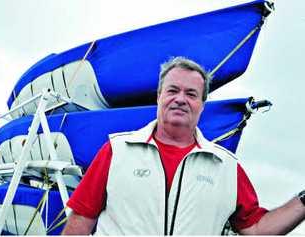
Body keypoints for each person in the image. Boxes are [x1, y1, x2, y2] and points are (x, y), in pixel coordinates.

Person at [62, 57, 305, 235]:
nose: (180, 99)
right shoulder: (116, 151)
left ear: (202, 105)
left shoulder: (226, 167)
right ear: (159, 97)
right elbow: (81, 221)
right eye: (173, 90)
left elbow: (256, 229)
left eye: (191, 94)